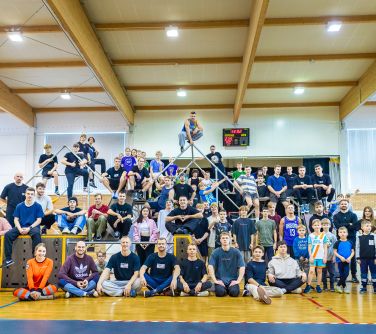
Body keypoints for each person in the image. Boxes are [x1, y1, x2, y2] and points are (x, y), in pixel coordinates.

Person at [1, 187, 43, 268]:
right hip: (21, 226)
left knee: (37, 235)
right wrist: (19, 228)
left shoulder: (38, 206)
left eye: (31, 194)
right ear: (25, 194)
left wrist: (29, 228)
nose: (30, 195)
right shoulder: (19, 206)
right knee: (8, 235)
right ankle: (8, 259)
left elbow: (39, 220)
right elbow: (16, 219)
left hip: (32, 227)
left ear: (34, 195)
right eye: (28, 194)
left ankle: (35, 259)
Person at [208, 232, 245, 297]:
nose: (225, 239)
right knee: (220, 293)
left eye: (226, 238)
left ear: (230, 239)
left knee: (234, 293)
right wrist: (215, 280)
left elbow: (242, 267)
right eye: (223, 238)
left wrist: (238, 281)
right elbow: (210, 266)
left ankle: (228, 289)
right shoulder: (216, 252)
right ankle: (222, 288)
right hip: (220, 280)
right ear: (220, 240)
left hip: (232, 280)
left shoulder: (236, 252)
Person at [333, 199, 360, 283]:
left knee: (352, 257)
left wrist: (345, 225)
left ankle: (354, 275)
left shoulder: (353, 215)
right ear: (339, 205)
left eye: (345, 204)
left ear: (348, 205)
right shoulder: (336, 216)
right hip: (340, 239)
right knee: (341, 256)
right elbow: (337, 226)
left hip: (351, 238)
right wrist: (349, 224)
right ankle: (341, 275)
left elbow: (355, 227)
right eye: (342, 204)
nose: (343, 205)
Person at [304, 219, 328, 293]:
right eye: (315, 225)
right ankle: (308, 285)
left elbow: (325, 247)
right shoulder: (310, 236)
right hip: (313, 256)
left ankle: (318, 286)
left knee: (319, 271)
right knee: (311, 271)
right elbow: (309, 247)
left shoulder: (323, 235)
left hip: (321, 257)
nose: (317, 226)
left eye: (318, 225)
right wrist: (310, 256)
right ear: (312, 226)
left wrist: (325, 256)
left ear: (320, 226)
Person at [356, 221, 376, 294]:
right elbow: (357, 247)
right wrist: (358, 258)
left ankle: (375, 287)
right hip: (363, 259)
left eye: (370, 226)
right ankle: (364, 287)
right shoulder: (359, 237)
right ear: (362, 228)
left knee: (374, 273)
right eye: (367, 226)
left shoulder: (374, 236)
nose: (369, 227)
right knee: (363, 273)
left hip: (372, 259)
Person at [333, 227, 355, 293]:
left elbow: (353, 252)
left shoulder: (350, 242)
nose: (342, 234)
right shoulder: (337, 242)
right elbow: (335, 252)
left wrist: (349, 258)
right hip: (340, 261)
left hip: (347, 261)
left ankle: (338, 285)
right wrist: (340, 257)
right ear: (338, 234)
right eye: (341, 232)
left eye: (344, 232)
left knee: (346, 273)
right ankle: (344, 287)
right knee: (342, 274)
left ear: (347, 233)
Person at [322, 218, 337, 291]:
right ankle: (325, 286)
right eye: (324, 225)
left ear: (330, 225)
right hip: (322, 258)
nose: (325, 226)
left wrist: (334, 256)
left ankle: (332, 286)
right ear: (321, 226)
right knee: (323, 273)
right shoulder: (320, 235)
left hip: (331, 258)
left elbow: (335, 247)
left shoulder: (332, 236)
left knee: (332, 273)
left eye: (327, 224)